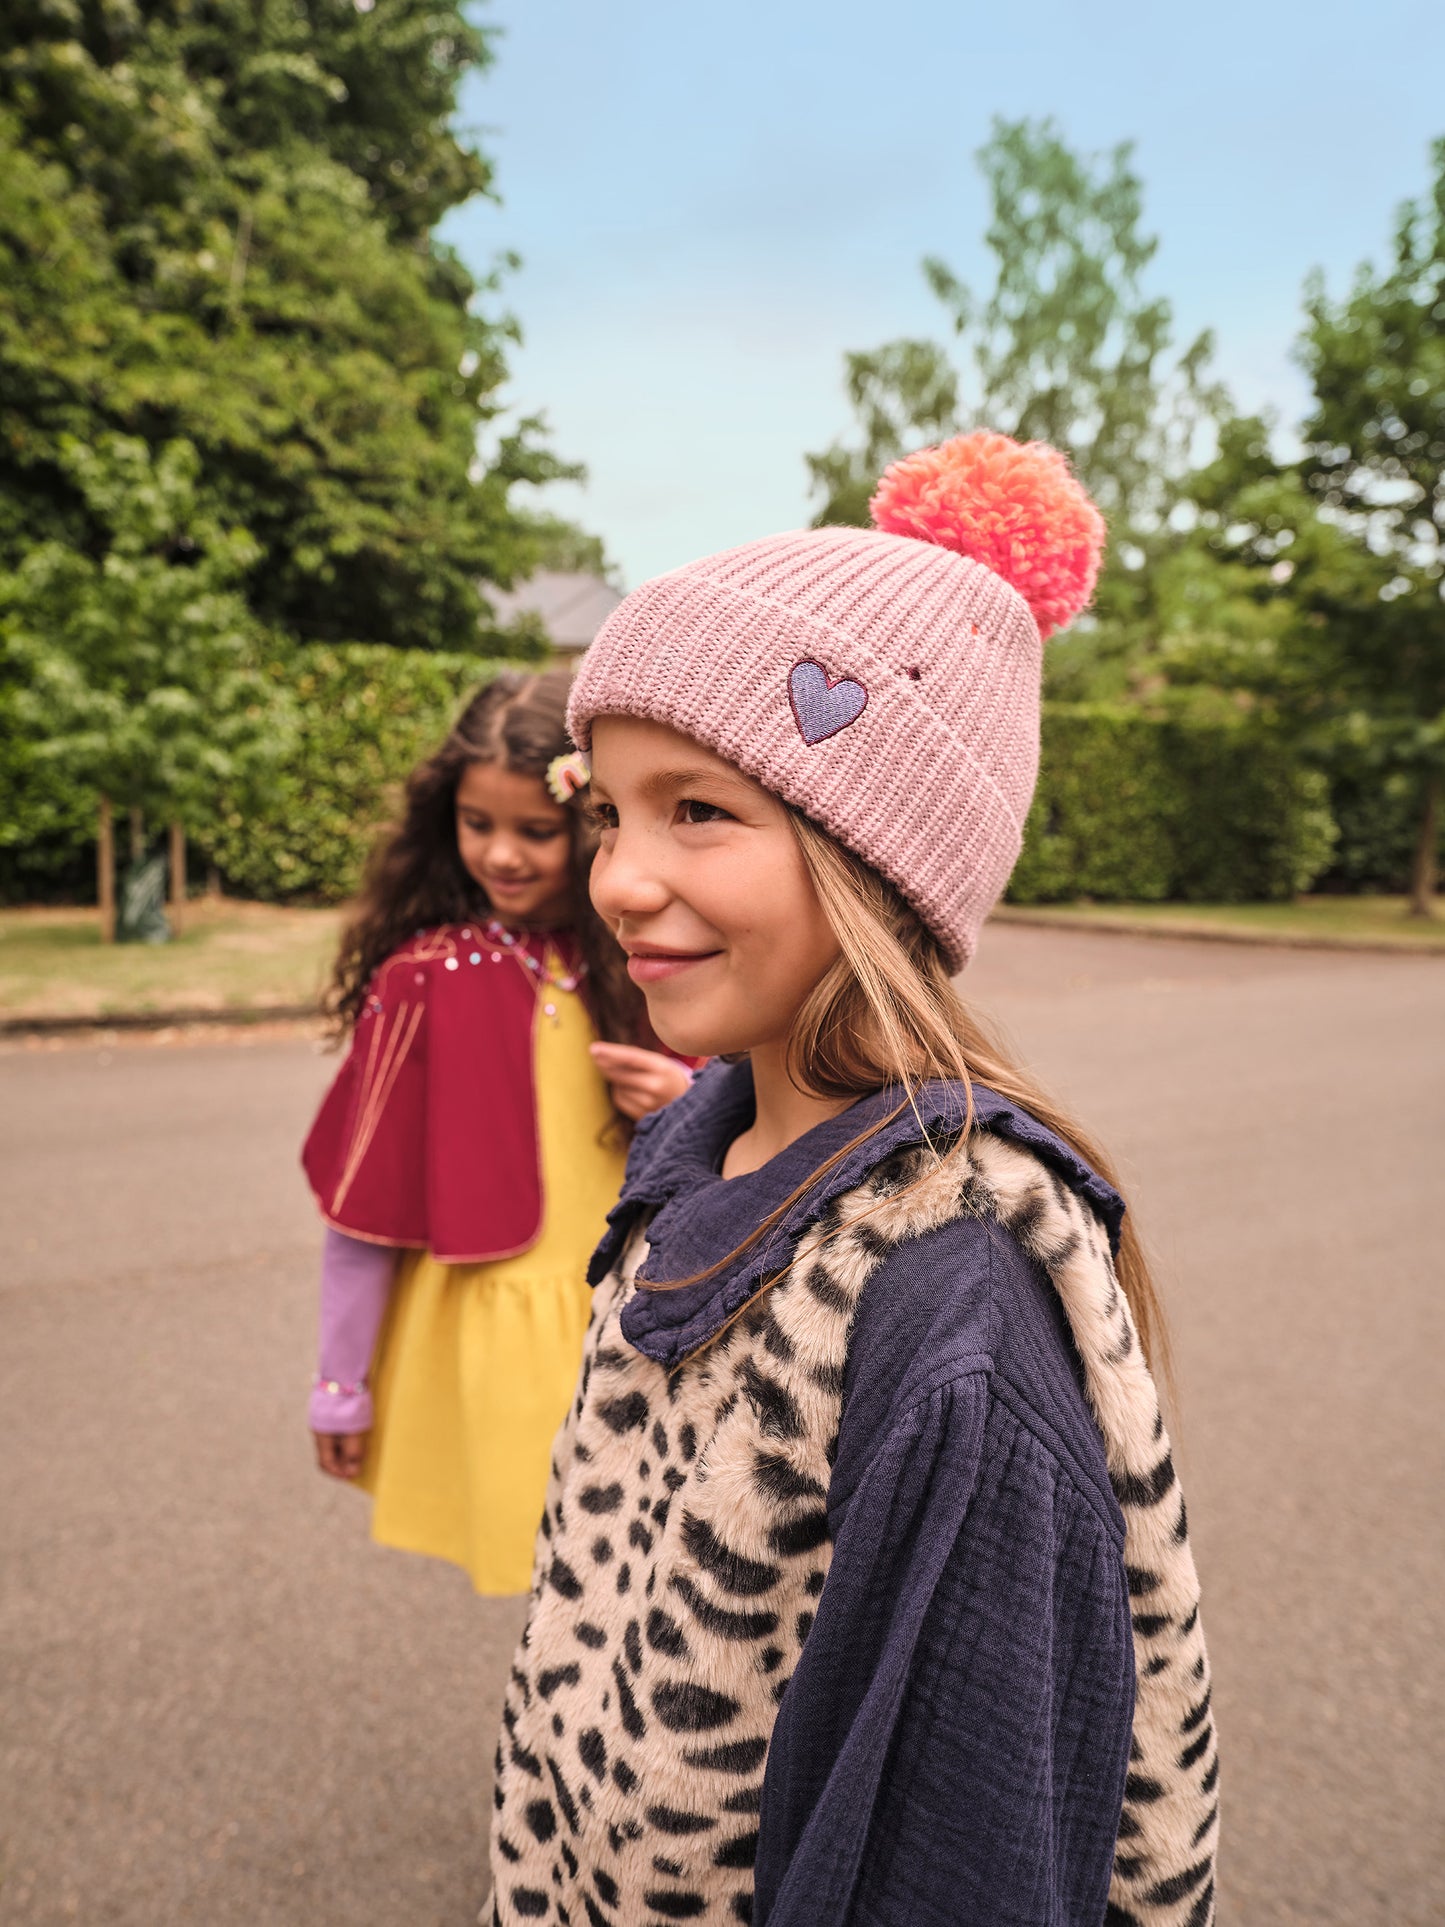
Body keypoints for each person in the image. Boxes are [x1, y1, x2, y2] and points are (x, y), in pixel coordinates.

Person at [486, 434, 1218, 1925]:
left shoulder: (951, 1306)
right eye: (611, 808)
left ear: (875, 861)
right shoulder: (705, 1160)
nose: (618, 875)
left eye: (700, 808)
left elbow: (967, 1858)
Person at [302, 667, 693, 1595]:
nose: (502, 854)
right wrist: (338, 1380)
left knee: (655, 1573)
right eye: (479, 825)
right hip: (498, 1334)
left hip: (648, 1316)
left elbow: (759, 1124)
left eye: (534, 829)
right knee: (562, 1582)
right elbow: (363, 1209)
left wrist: (686, 1094)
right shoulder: (422, 977)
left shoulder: (658, 958)